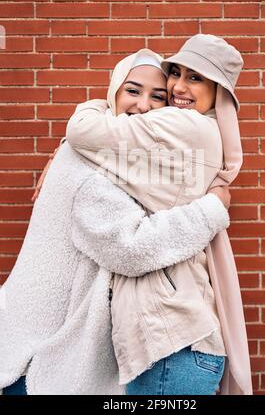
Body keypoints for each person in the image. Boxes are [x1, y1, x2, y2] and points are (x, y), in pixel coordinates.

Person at [0, 49, 230, 395]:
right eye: (133, 91)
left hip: (46, 349)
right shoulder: (89, 170)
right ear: (113, 93)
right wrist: (212, 209)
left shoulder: (116, 156)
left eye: (159, 97)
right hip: (39, 359)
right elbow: (132, 248)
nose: (144, 105)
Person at [65, 35, 252, 395]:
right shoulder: (190, 129)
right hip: (176, 345)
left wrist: (86, 126)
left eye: (196, 79)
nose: (179, 87)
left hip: (173, 346)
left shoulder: (185, 125)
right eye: (176, 73)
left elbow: (82, 131)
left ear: (220, 93)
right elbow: (104, 155)